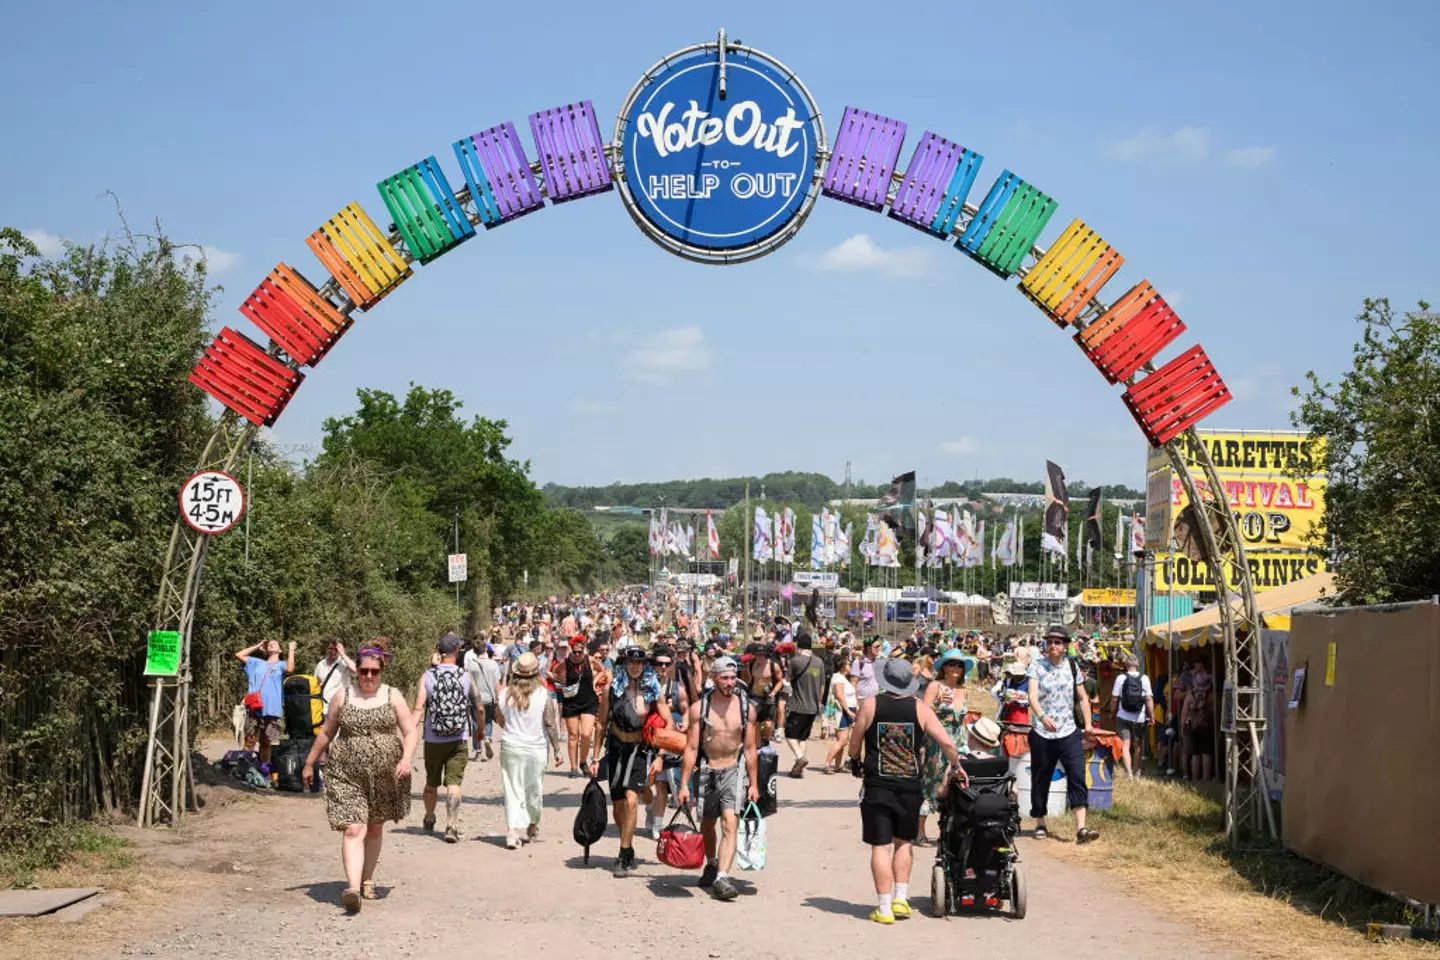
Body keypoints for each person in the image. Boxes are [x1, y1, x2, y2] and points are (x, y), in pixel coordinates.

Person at [848, 657, 966, 925]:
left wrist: (855, 761)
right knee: (903, 842)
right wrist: (956, 764)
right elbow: (947, 742)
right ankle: (901, 898)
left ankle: (884, 907)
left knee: (880, 846)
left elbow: (855, 742)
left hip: (878, 785)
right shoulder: (920, 708)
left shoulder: (871, 704)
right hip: (910, 786)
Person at [302, 644, 419, 912]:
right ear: (356, 670)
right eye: (363, 671)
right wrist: (309, 762)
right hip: (346, 773)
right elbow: (326, 733)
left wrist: (406, 758)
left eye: (373, 671)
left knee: (375, 826)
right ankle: (352, 889)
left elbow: (410, 732)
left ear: (381, 671)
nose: (368, 676)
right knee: (354, 827)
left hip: (385, 775)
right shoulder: (343, 696)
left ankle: (367, 879)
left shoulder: (393, 696)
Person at [677, 655, 759, 903]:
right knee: (707, 825)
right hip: (706, 770)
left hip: (733, 769)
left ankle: (723, 877)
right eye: (724, 677)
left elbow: (750, 749)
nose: (730, 682)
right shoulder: (699, 709)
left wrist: (754, 784)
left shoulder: (747, 709)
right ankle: (712, 863)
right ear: (713, 678)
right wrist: (682, 784)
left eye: (733, 677)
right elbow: (691, 748)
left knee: (729, 823)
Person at [593, 646, 669, 878]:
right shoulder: (611, 690)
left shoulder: (653, 690)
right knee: (618, 805)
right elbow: (601, 723)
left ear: (644, 665)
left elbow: (669, 725)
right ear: (625, 663)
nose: (635, 666)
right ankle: (627, 841)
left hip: (640, 751)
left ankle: (624, 853)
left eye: (639, 662)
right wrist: (595, 757)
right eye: (631, 662)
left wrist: (660, 756)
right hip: (616, 749)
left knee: (631, 800)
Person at [1026, 626, 1099, 844]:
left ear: (1065, 645)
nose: (1053, 646)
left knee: (1077, 775)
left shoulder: (1072, 666)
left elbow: (1083, 697)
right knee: (1041, 777)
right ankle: (1040, 822)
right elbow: (1032, 696)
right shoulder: (1036, 666)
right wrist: (1042, 716)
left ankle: (1081, 828)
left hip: (1068, 731)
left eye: (1058, 642)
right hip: (1042, 732)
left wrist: (1088, 724)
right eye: (1050, 642)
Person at [413, 634, 483, 843]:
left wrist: (410, 731)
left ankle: (429, 815)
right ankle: (451, 825)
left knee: (431, 782)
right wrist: (480, 729)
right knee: (454, 784)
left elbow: (418, 707)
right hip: (458, 737)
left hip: (433, 739)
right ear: (456, 652)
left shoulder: (427, 676)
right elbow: (478, 705)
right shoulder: (465, 675)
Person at [495, 652, 563, 849]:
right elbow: (550, 723)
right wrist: (557, 750)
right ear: (536, 674)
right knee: (534, 789)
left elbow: (500, 719)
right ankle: (532, 825)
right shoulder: (543, 695)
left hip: (511, 745)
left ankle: (512, 831)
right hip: (536, 748)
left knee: (512, 788)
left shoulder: (504, 694)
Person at [917, 649, 970, 846]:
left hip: (958, 742)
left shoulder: (963, 690)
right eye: (951, 664)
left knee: (954, 787)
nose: (955, 668)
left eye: (959, 665)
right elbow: (923, 712)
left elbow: (963, 721)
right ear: (944, 668)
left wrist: (966, 744)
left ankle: (946, 833)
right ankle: (920, 831)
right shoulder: (935, 686)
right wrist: (939, 704)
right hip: (937, 742)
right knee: (932, 783)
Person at [647, 644, 689, 838]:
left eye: (667, 664)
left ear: (672, 665)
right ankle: (650, 806)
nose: (663, 667)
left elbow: (686, 710)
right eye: (659, 663)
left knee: (662, 785)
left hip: (668, 739)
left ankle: (656, 825)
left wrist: (685, 724)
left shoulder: (677, 687)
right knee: (646, 785)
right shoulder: (645, 684)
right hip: (646, 738)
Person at [235, 639, 295, 764]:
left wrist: (291, 650)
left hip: (272, 709)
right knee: (249, 739)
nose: (271, 644)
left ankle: (264, 769)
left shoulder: (281, 664)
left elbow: (290, 669)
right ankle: (245, 768)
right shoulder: (257, 663)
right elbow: (239, 655)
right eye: (269, 644)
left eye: (275, 643)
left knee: (266, 742)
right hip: (254, 707)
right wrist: (257, 646)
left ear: (279, 650)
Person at [554, 637, 600, 777]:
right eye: (575, 652)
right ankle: (573, 767)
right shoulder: (566, 662)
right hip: (571, 702)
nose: (578, 654)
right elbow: (555, 671)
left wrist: (595, 681)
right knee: (573, 735)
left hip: (589, 701)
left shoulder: (590, 660)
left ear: (584, 650)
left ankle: (583, 762)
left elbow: (603, 670)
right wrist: (562, 681)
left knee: (586, 734)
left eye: (580, 651)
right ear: (571, 651)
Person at [783, 634, 826, 777]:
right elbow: (822, 686)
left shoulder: (795, 661)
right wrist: (819, 702)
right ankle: (798, 769)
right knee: (802, 737)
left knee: (789, 734)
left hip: (797, 705)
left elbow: (787, 680)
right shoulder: (819, 662)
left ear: (799, 646)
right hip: (813, 706)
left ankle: (800, 759)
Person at [1110, 654, 1155, 778]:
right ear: (1137, 665)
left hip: (1123, 716)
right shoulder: (1144, 678)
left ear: (1126, 665)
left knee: (1125, 744)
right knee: (1138, 745)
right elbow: (1149, 699)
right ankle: (1137, 771)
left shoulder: (1120, 678)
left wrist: (1113, 712)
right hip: (1139, 717)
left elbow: (1114, 699)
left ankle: (1128, 773)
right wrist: (1151, 716)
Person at [464, 638, 500, 761]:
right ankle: (488, 738)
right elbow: (497, 684)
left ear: (474, 651)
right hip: (489, 698)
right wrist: (498, 699)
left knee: (476, 724)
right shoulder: (493, 664)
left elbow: (468, 683)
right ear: (485, 649)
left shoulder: (471, 665)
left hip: (476, 699)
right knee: (488, 721)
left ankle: (478, 751)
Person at [824, 658, 859, 773]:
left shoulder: (843, 678)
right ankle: (827, 764)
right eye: (849, 664)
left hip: (847, 710)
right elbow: (839, 695)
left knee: (843, 739)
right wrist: (848, 711)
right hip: (842, 711)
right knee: (843, 740)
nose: (850, 666)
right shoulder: (838, 678)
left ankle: (838, 766)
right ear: (843, 666)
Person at [1184, 659, 1216, 781]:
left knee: (1195, 754)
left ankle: (1195, 779)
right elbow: (1216, 712)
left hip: (1193, 726)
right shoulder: (1211, 695)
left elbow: (1184, 713)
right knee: (1207, 754)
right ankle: (1206, 779)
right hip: (1207, 726)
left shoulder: (1190, 694)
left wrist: (1183, 727)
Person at [313, 638, 355, 718]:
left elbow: (355, 670)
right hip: (322, 709)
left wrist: (342, 654)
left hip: (339, 709)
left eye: (336, 649)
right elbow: (316, 685)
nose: (332, 651)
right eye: (330, 648)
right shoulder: (321, 664)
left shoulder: (344, 664)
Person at [851, 636, 881, 705]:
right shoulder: (858, 662)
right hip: (862, 701)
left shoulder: (877, 662)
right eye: (876, 647)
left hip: (875, 699)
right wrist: (855, 703)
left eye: (879, 646)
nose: (879, 649)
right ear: (869, 648)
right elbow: (853, 683)